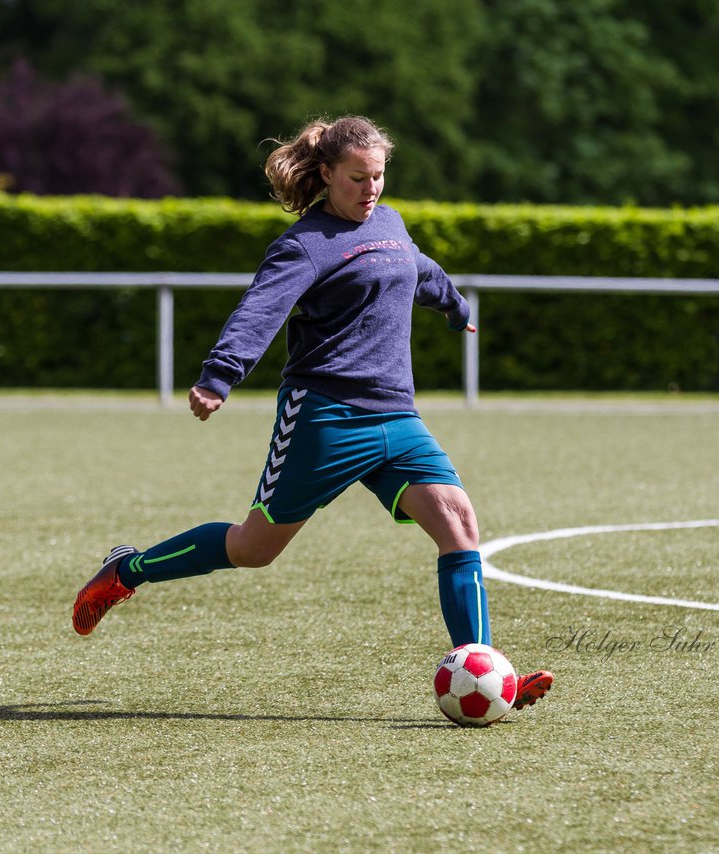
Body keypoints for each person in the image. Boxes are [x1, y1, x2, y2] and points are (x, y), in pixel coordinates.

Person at [72, 115, 552, 710]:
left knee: (459, 524)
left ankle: (486, 669)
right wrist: (220, 376)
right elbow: (261, 309)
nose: (370, 189)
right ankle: (130, 570)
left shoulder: (390, 222)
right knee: (254, 549)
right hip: (324, 415)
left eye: (378, 176)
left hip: (397, 418)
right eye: (357, 178)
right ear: (326, 174)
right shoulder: (306, 244)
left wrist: (452, 306)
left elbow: (417, 269)